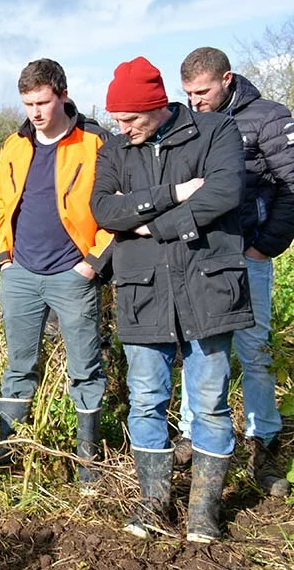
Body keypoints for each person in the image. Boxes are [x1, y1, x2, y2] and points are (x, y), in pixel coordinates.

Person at [91, 57, 252, 543]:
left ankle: (204, 509)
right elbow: (103, 208)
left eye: (130, 119)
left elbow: (225, 191)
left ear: (157, 105)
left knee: (209, 402)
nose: (121, 128)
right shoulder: (116, 149)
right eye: (117, 118)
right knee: (146, 401)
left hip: (208, 286)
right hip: (143, 292)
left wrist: (152, 226)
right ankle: (154, 502)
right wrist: (177, 192)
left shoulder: (216, 131)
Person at [0, 59, 113, 484]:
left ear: (62, 93)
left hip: (72, 275)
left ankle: (88, 463)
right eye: (28, 104)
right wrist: (4, 260)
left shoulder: (95, 142)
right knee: (19, 364)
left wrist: (92, 264)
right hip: (20, 272)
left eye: (42, 102)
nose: (35, 112)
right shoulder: (13, 146)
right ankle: (8, 453)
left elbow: (117, 209)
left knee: (85, 368)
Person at [178, 47, 294, 497]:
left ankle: (263, 441)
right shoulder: (190, 120)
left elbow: (291, 186)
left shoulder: (268, 117)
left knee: (254, 350)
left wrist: (265, 247)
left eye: (202, 92)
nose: (195, 102)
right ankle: (192, 433)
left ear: (226, 80)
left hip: (248, 254)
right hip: (202, 253)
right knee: (199, 345)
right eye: (188, 94)